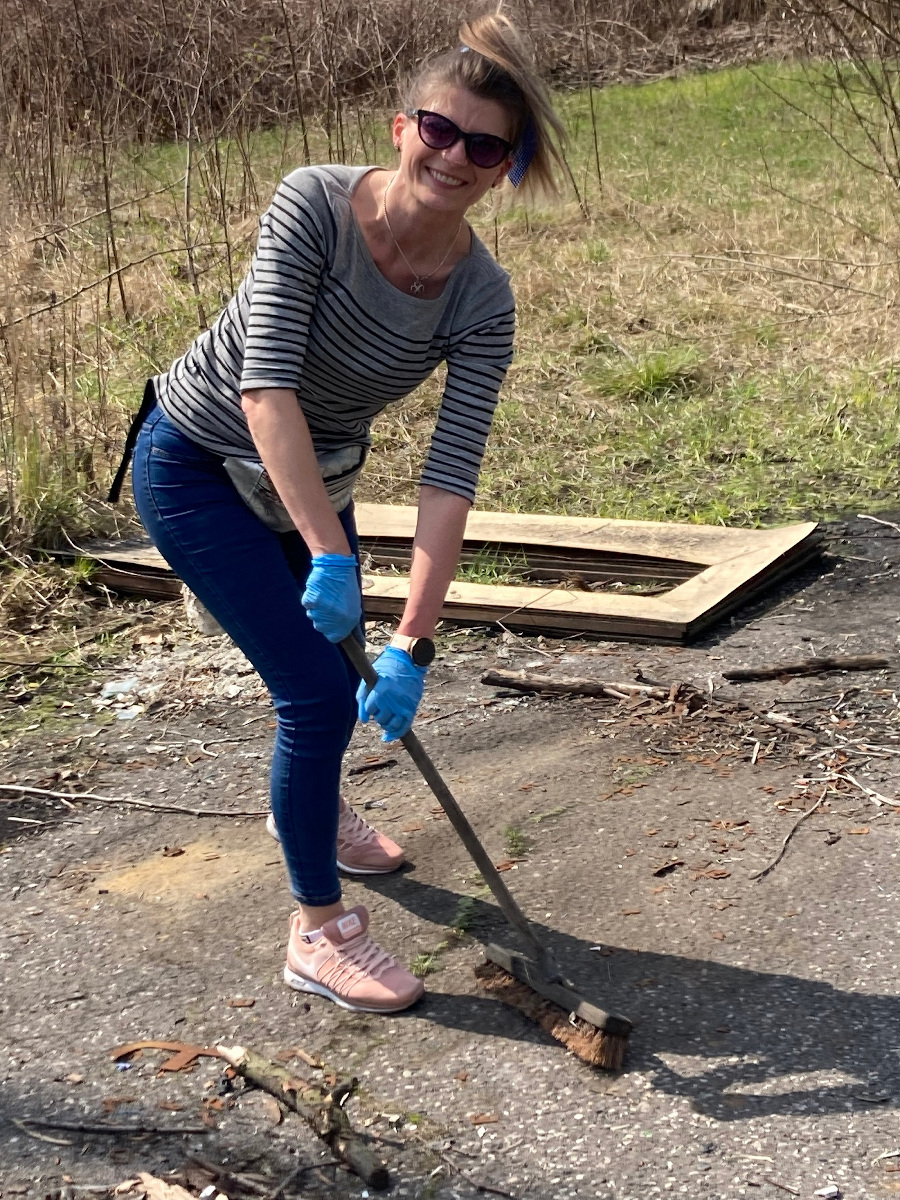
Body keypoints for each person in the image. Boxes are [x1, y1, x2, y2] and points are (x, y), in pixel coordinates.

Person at [117, 8, 564, 1015]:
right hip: (197, 461)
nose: (453, 157)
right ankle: (317, 933)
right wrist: (332, 556)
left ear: (506, 167)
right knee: (317, 696)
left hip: (316, 477)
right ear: (402, 126)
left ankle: (308, 809)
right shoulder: (312, 202)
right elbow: (265, 389)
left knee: (351, 672)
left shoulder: (481, 299)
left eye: (484, 147)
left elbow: (451, 477)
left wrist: (414, 641)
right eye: (438, 130)